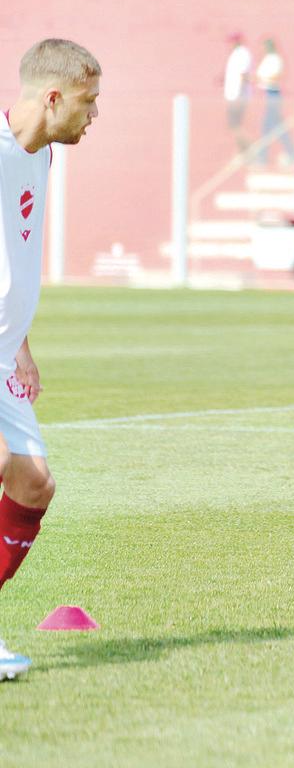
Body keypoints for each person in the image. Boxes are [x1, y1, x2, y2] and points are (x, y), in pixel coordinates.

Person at [0, 39, 102, 680]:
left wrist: (22, 344)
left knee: (34, 482)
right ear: (53, 96)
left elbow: (12, 256)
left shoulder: (41, 160)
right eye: (89, 102)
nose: (94, 116)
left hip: (3, 351)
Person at [254, 38, 293, 166]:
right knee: (272, 127)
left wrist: (261, 78)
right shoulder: (267, 59)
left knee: (271, 127)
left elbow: (277, 76)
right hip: (268, 93)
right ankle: (290, 153)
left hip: (273, 94)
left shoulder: (275, 59)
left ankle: (265, 157)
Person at [222, 33, 252, 159]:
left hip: (238, 95)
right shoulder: (236, 54)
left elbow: (244, 74)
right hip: (233, 94)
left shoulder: (242, 54)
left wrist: (240, 92)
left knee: (235, 123)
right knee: (233, 124)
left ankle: (247, 147)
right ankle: (243, 148)